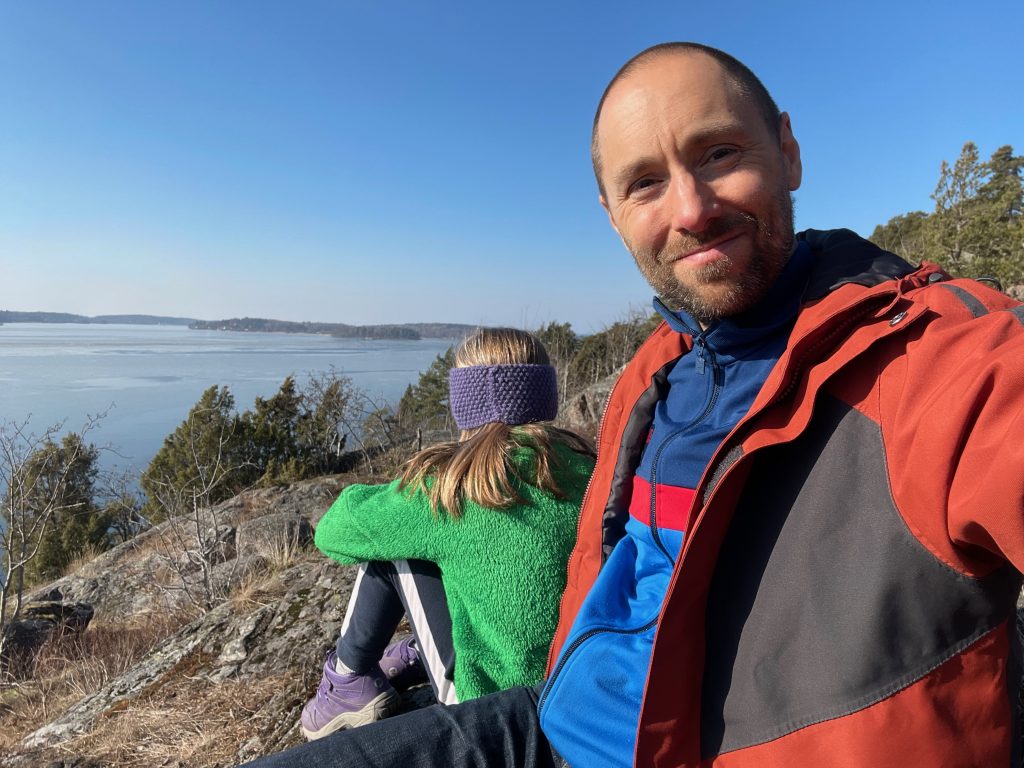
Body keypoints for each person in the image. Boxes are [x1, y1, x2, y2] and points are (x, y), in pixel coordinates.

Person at [247, 42, 1024, 768]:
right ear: (612, 214)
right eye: (645, 182)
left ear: (787, 151)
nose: (690, 208)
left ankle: (348, 682)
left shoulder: (940, 362)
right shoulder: (653, 376)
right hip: (547, 725)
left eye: (719, 153)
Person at [298, 326, 596, 740]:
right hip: (580, 693)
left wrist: (393, 490)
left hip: (492, 713)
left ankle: (346, 681)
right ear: (543, 392)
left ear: (464, 399)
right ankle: (420, 652)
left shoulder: (447, 488)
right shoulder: (588, 468)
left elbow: (334, 531)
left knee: (394, 545)